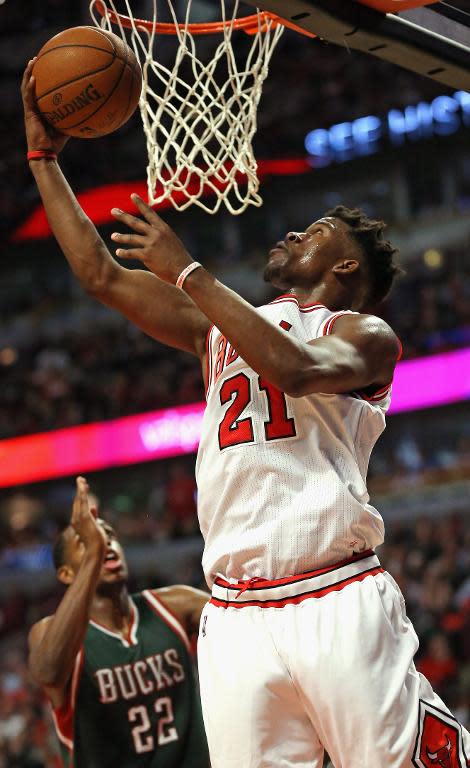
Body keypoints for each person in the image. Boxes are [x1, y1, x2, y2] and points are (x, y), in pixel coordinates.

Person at [22, 59, 470, 767]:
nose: (292, 235)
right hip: (234, 616)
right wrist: (43, 158)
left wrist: (191, 273)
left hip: (335, 595)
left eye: (315, 232)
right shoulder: (217, 326)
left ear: (346, 269)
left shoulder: (363, 335)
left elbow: (294, 368)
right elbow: (99, 274)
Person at [28, 477, 209, 768]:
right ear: (65, 574)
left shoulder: (174, 605)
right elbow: (47, 672)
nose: (105, 543)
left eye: (109, 536)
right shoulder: (48, 633)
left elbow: (247, 621)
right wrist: (94, 554)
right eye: (86, 542)